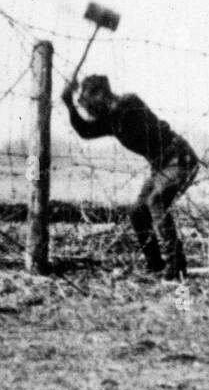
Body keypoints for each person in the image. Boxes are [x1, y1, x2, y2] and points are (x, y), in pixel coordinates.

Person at [61, 74, 199, 279]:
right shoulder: (110, 120)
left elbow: (120, 112)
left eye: (89, 97)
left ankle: (176, 264)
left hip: (179, 158)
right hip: (160, 166)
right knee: (137, 213)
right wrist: (70, 105)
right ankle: (155, 265)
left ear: (101, 93)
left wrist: (78, 100)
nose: (87, 105)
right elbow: (86, 132)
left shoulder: (129, 103)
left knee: (156, 201)